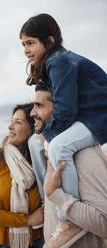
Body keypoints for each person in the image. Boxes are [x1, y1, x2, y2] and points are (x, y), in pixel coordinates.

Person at [20, 13, 107, 247]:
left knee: (58, 145)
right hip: (91, 116)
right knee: (47, 144)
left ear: (49, 41)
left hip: (100, 117)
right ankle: (61, 211)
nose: (26, 50)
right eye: (23, 44)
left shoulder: (58, 61)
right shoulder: (53, 65)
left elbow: (66, 109)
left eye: (31, 43)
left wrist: (49, 139)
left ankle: (68, 218)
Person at [29, 83, 107, 247]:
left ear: (61, 110)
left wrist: (55, 194)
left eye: (39, 106)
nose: (32, 113)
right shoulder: (58, 152)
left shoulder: (85, 155)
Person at [0, 103, 44, 248]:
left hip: (37, 242)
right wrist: (27, 220)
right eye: (11, 121)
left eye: (18, 122)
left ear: (32, 129)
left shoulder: (39, 162)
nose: (10, 127)